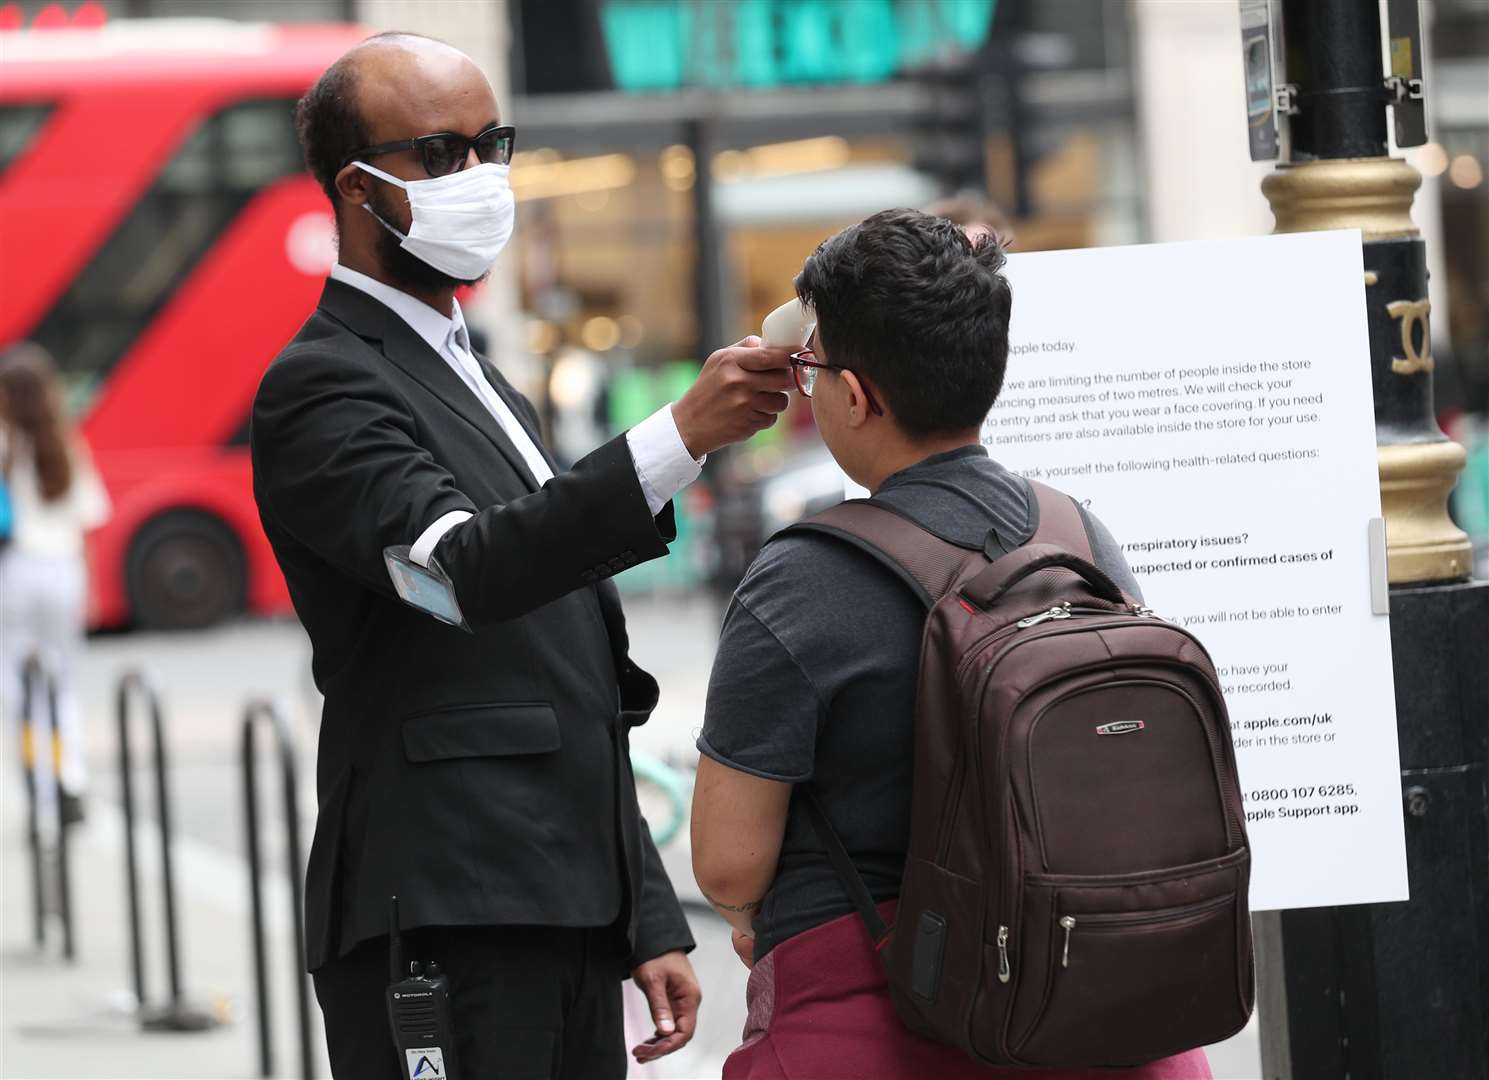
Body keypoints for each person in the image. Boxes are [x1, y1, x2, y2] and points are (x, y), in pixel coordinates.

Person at [251, 32, 794, 1079]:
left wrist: (641, 910)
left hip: (560, 908)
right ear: (355, 188)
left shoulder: (475, 372)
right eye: (442, 153)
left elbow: (568, 672)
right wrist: (678, 436)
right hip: (447, 910)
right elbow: (464, 572)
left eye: (493, 144)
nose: (482, 178)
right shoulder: (322, 383)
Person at [691, 209, 1210, 1079]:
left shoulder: (803, 576)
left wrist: (748, 907)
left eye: (813, 372)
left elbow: (727, 863)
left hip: (878, 1024)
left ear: (853, 397)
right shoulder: (1080, 536)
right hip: (1103, 1012)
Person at [0, 343, 111, 827]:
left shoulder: (4, 443)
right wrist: (89, 589)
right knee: (62, 685)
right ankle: (72, 776)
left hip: (17, 572)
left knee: (20, 688)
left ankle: (41, 790)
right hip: (65, 570)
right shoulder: (66, 443)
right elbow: (86, 523)